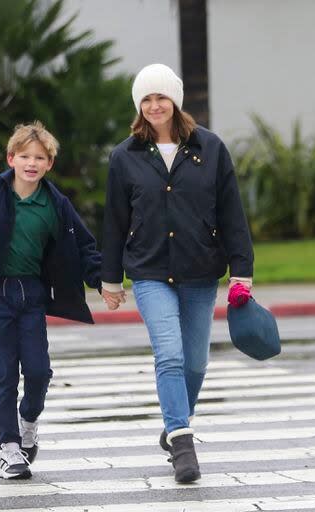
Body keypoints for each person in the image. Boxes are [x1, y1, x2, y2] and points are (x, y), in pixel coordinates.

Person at [100, 63, 254, 483]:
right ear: (139, 105)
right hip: (149, 272)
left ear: (175, 101)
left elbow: (232, 214)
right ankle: (183, 445)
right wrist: (110, 279)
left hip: (200, 269)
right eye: (146, 99)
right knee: (168, 355)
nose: (154, 106)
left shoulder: (211, 148)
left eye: (161, 97)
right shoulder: (124, 156)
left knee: (196, 363)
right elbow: (114, 220)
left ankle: (173, 424)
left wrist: (242, 271)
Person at [0, 121, 102, 480]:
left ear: (49, 164)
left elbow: (84, 246)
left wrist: (101, 282)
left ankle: (28, 421)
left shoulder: (55, 203)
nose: (31, 163)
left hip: (31, 295)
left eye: (41, 157)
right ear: (11, 158)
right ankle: (10, 448)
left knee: (38, 371)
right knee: (4, 373)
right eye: (25, 156)